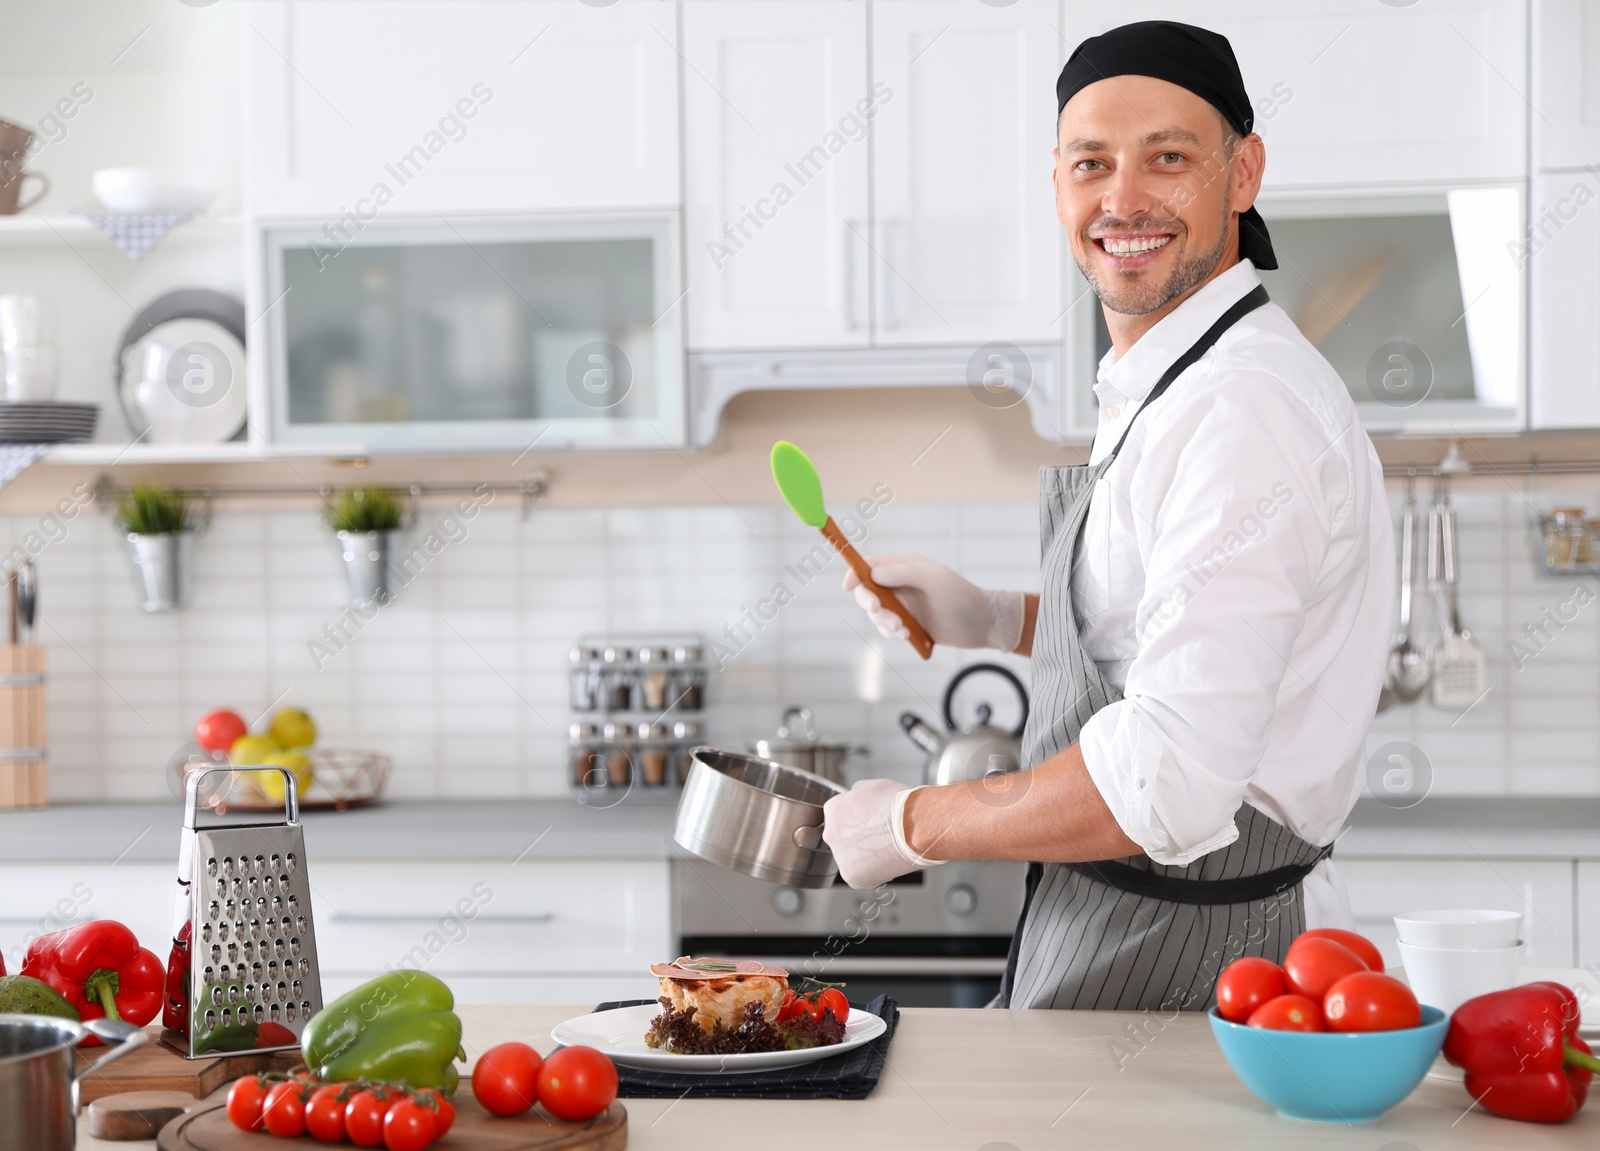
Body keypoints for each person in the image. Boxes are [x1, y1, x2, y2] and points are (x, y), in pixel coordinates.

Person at [820, 20, 1394, 1012]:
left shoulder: (1238, 409)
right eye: (1092, 163)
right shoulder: (1171, 379)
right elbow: (1181, 629)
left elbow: (1167, 774)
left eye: (1167, 158)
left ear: (1242, 171)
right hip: (1118, 920)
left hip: (1194, 950)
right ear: (1056, 185)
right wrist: (996, 618)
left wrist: (914, 821)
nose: (1122, 200)